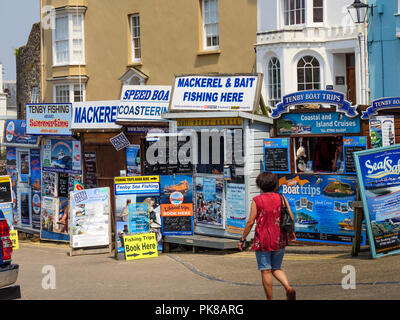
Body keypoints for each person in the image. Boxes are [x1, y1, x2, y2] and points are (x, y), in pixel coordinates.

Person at [238, 172, 296, 300]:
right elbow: (290, 217)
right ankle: (288, 287)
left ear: (260, 185)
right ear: (274, 184)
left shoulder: (257, 200)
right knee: (276, 268)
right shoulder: (281, 198)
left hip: (263, 240)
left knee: (266, 270)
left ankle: (270, 298)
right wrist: (291, 233)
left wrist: (242, 239)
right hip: (279, 239)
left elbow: (250, 222)